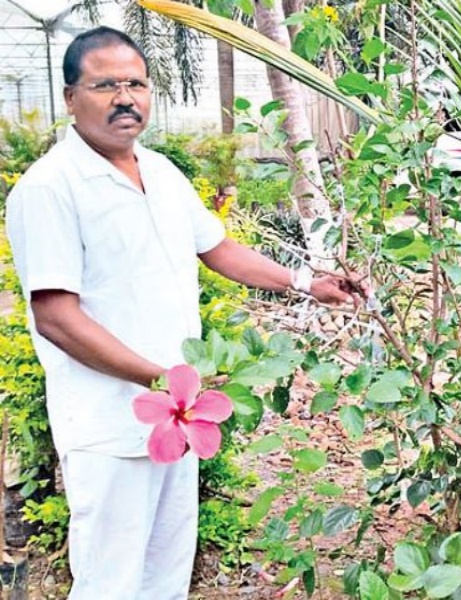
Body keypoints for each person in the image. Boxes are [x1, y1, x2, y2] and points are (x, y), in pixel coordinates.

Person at [5, 26, 357, 600]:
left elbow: (216, 247)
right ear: (70, 97)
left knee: (166, 573)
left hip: (174, 418)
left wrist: (305, 282)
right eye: (105, 84)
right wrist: (159, 379)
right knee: (110, 582)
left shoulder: (162, 173)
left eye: (137, 83)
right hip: (108, 425)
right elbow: (57, 318)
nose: (126, 97)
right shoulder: (50, 188)